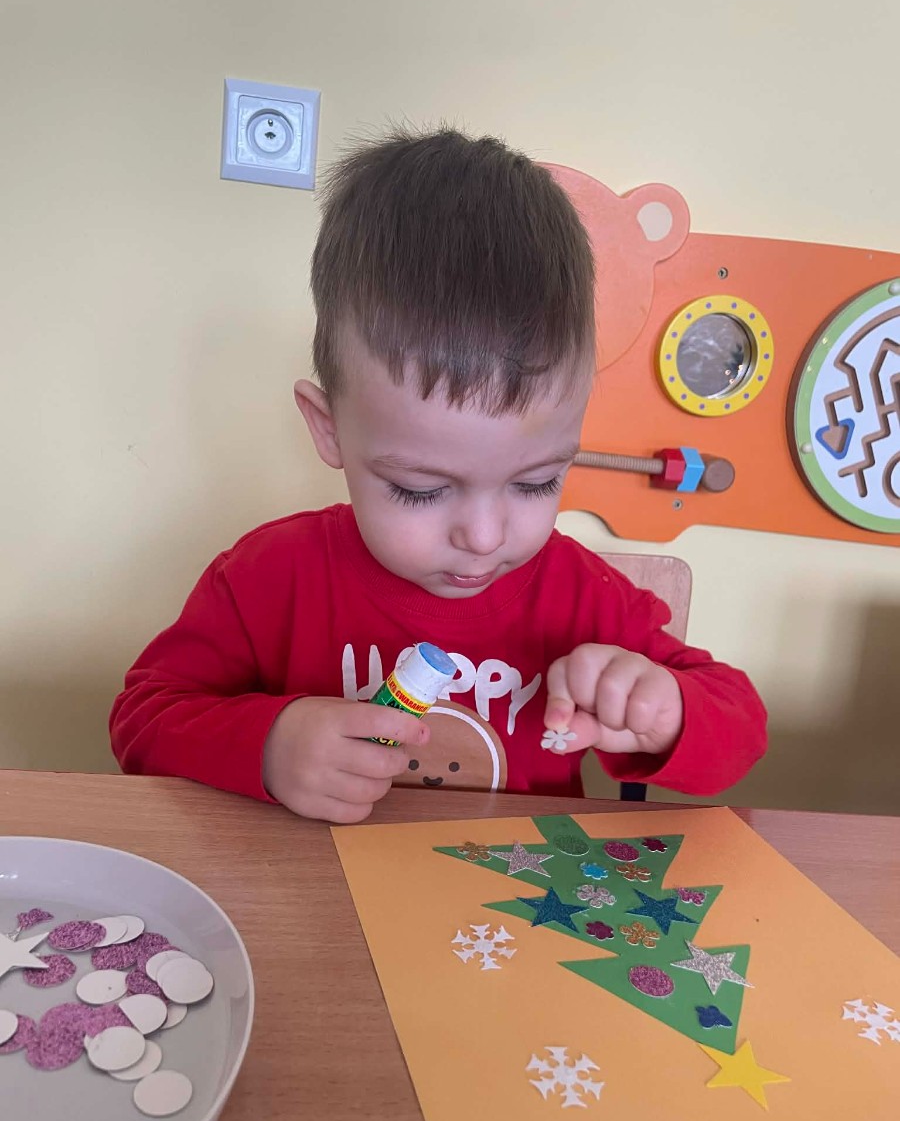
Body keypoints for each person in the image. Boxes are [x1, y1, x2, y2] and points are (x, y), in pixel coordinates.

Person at [110, 127, 766, 822]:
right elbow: (142, 721)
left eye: (537, 481)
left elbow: (742, 732)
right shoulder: (267, 578)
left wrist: (665, 709)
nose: (484, 537)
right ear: (329, 428)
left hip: (519, 888)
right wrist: (268, 745)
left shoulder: (585, 600)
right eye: (420, 490)